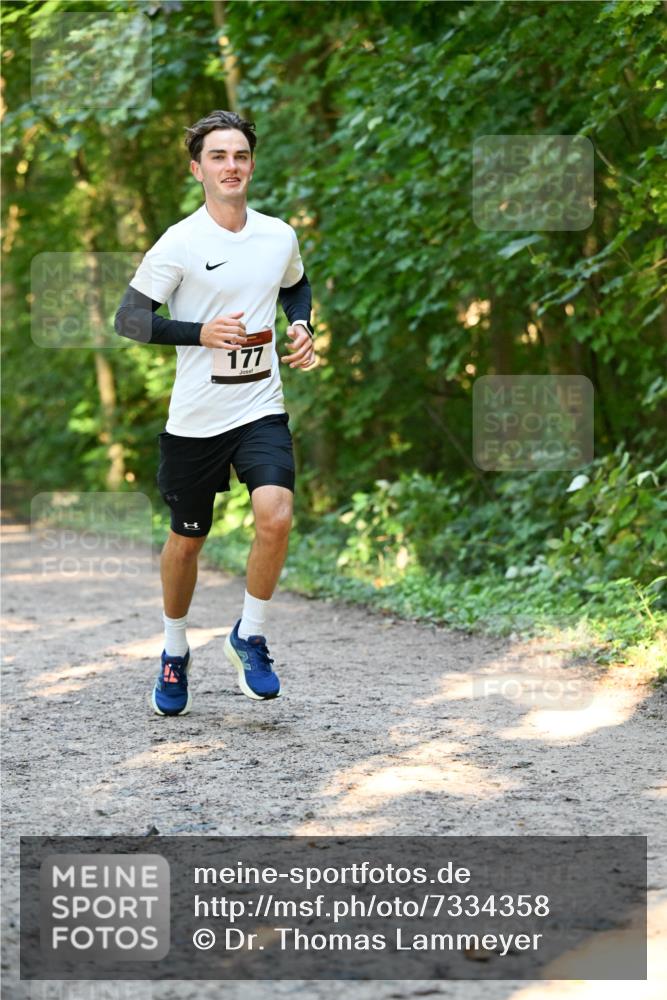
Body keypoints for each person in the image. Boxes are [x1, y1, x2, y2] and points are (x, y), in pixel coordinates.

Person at [114, 109, 316, 716]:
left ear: (252, 165)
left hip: (260, 405)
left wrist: (301, 324)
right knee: (186, 541)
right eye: (219, 156)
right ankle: (174, 649)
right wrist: (198, 333)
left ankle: (249, 635)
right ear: (197, 168)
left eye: (241, 156)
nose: (232, 166)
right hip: (197, 419)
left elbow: (294, 285)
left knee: (276, 514)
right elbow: (129, 318)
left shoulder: (278, 234)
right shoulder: (179, 242)